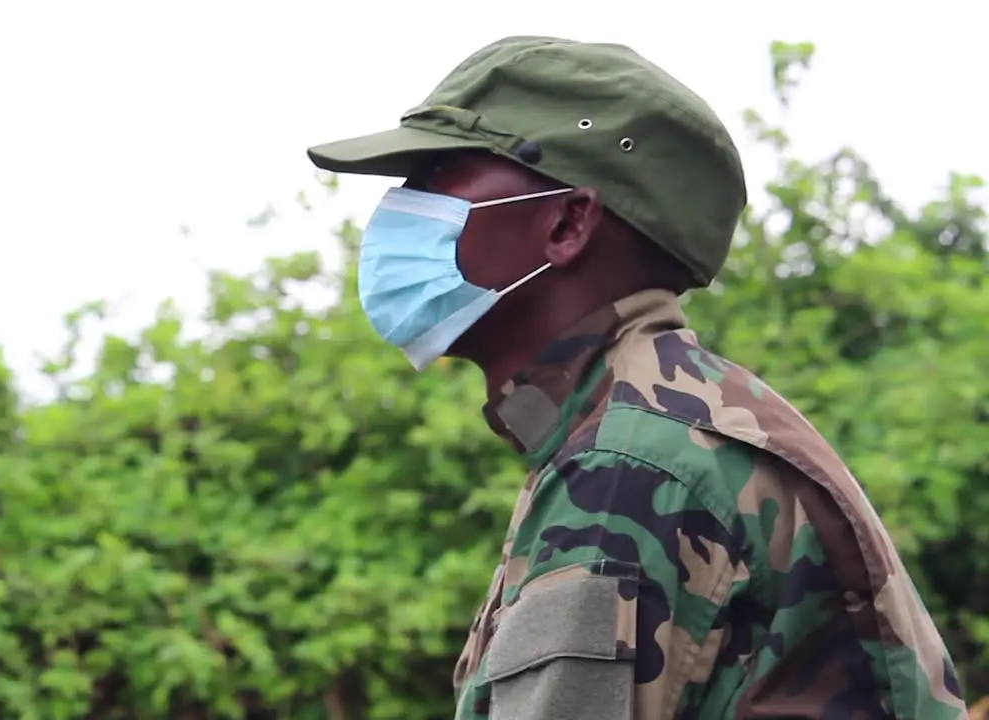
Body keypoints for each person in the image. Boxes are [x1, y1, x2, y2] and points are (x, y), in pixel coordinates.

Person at [306, 36, 968, 720]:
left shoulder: (632, 461)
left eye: (435, 174)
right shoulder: (653, 415)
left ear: (567, 223)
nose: (399, 207)